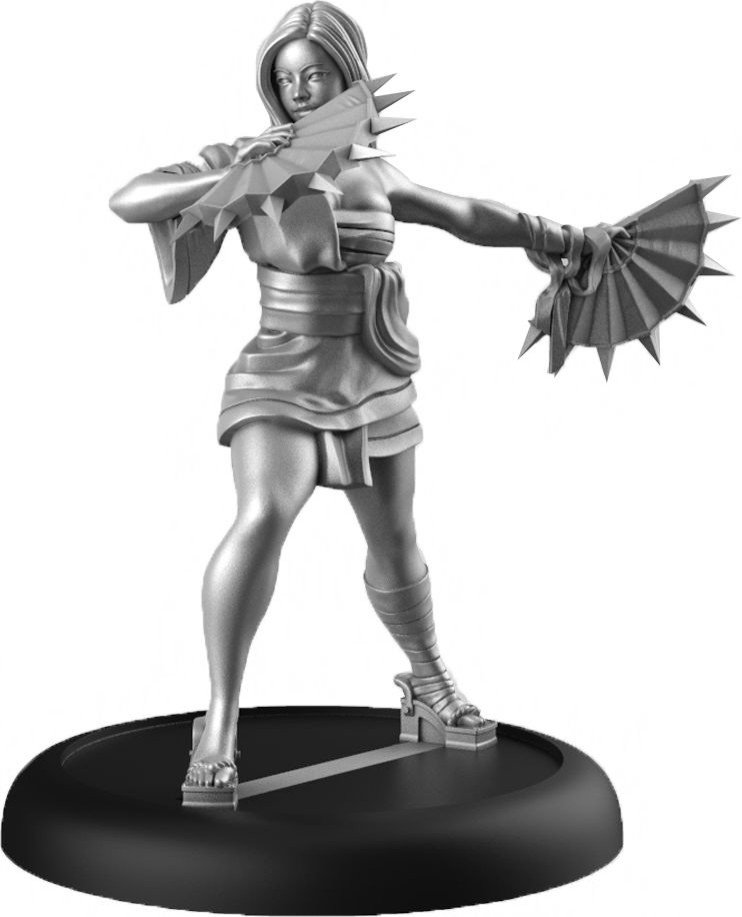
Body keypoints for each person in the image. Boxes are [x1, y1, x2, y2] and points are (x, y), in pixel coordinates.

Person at [110, 1, 601, 801]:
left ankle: (429, 679)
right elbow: (130, 197)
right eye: (286, 79)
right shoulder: (245, 160)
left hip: (374, 373)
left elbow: (465, 214)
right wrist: (234, 177)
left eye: (316, 74)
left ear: (348, 75)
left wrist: (561, 238)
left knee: (397, 541)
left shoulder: (374, 171)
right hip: (280, 373)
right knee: (262, 516)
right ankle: (221, 720)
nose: (301, 90)